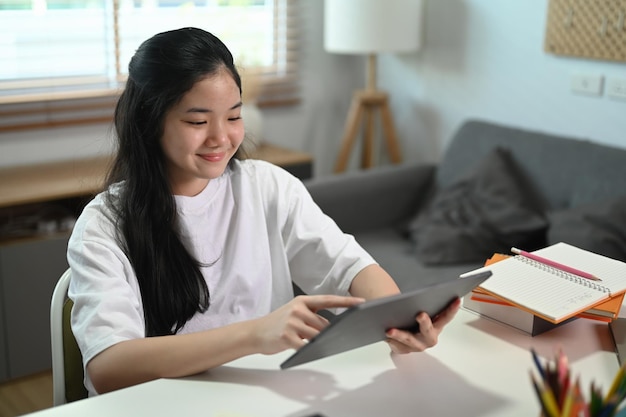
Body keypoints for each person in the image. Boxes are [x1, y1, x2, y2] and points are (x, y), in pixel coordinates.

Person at [67, 27, 461, 397]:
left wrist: (399, 322)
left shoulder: (266, 186)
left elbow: (348, 268)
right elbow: (109, 366)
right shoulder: (105, 225)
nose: (222, 138)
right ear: (149, 122)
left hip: (264, 396)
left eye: (234, 117)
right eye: (197, 121)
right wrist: (256, 334)